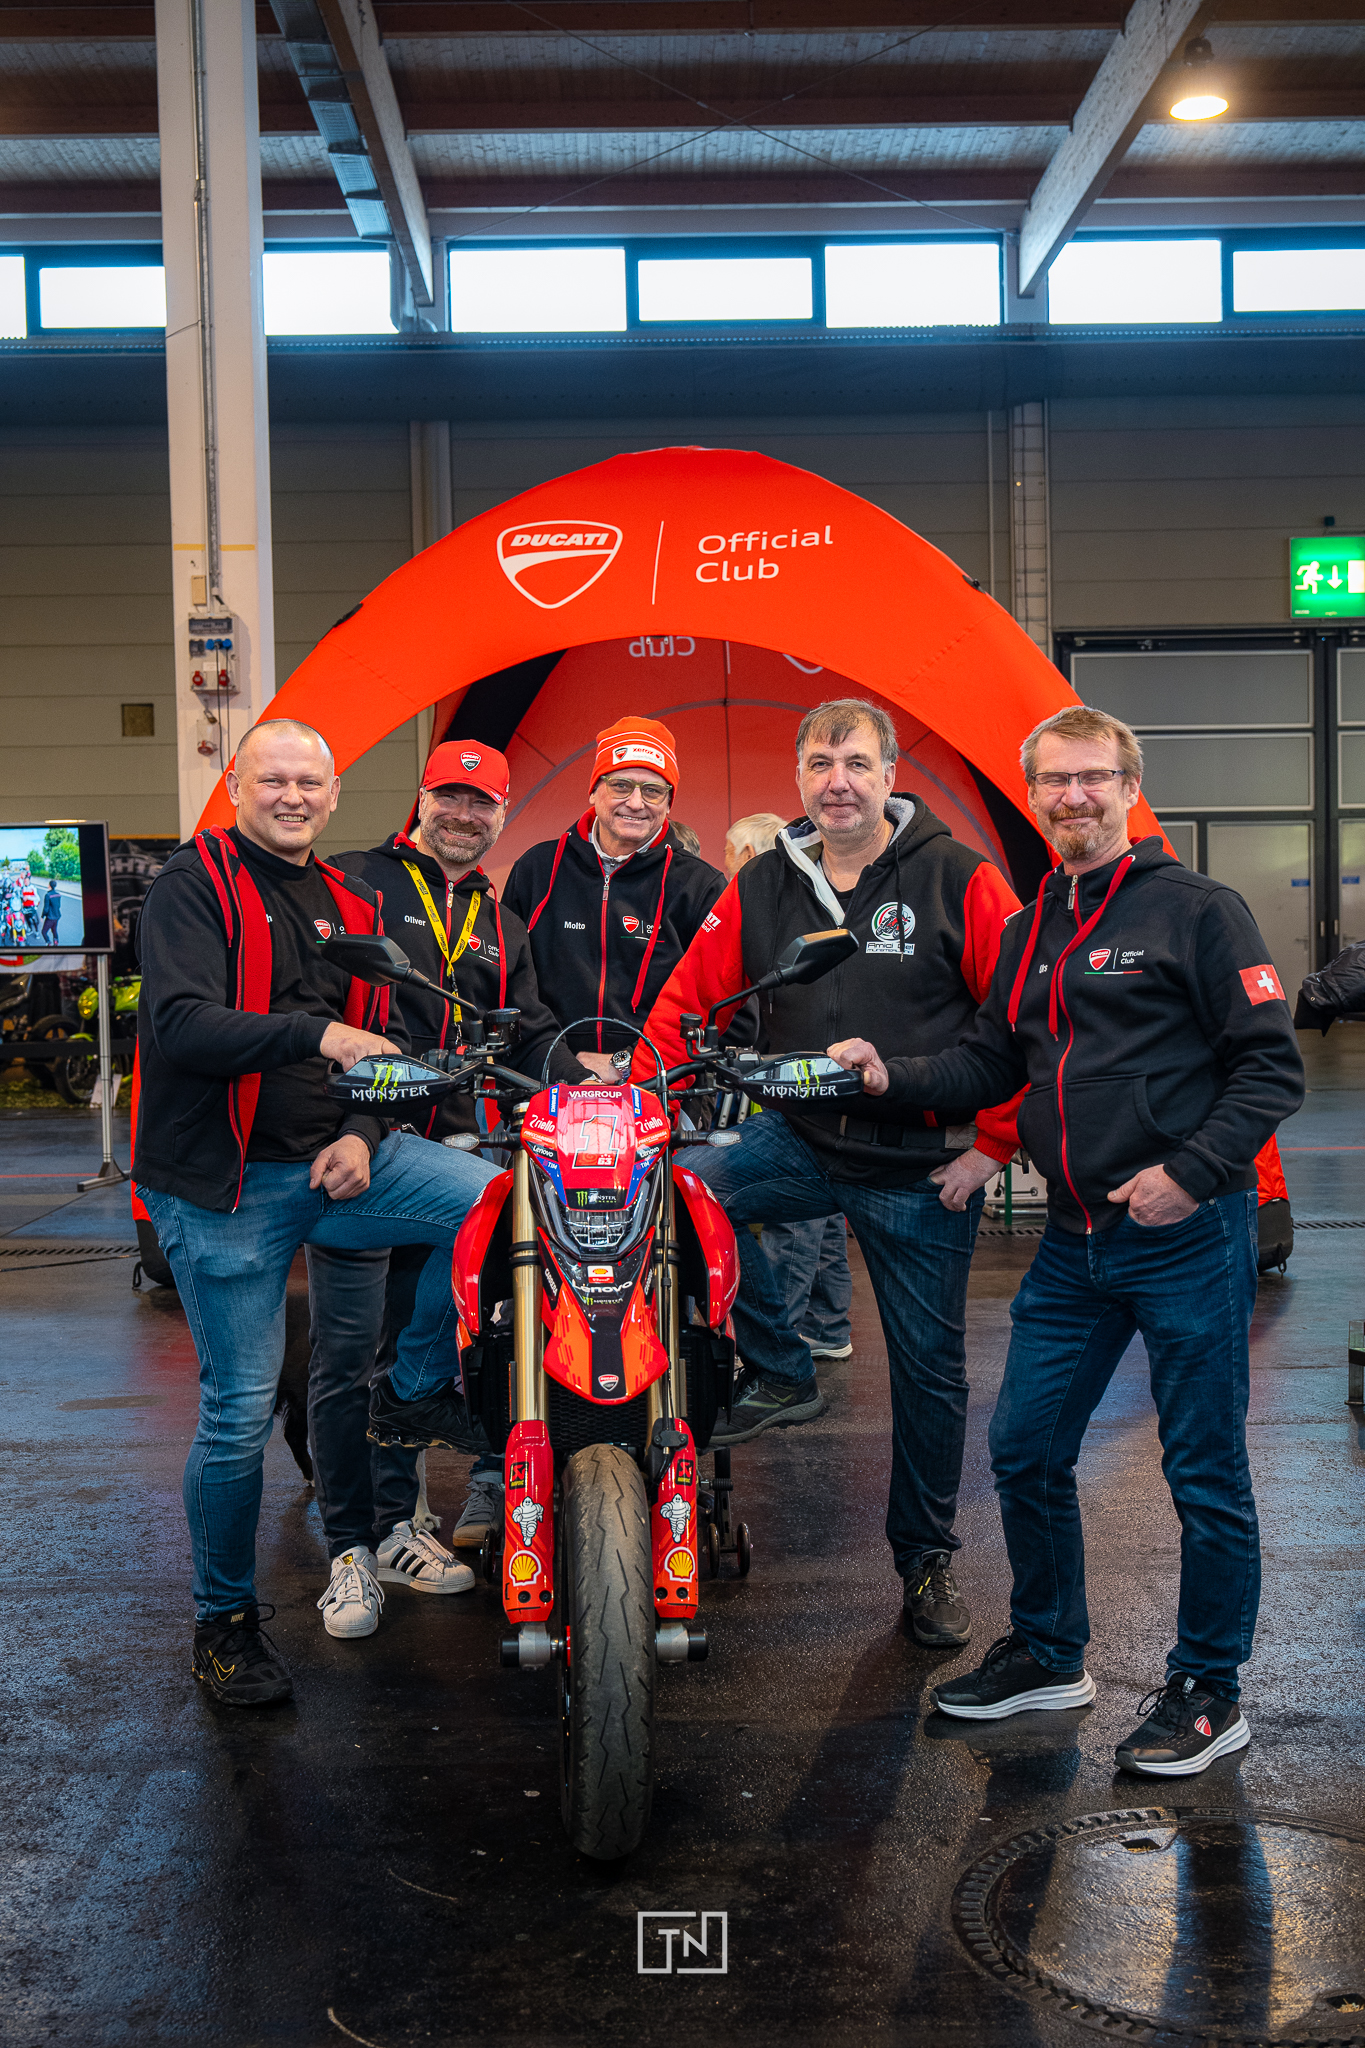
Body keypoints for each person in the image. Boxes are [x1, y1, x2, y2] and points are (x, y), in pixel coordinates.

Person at [833, 704, 1305, 1775]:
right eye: (1054, 780)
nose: (1074, 796)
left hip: (1185, 1234)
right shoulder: (1034, 922)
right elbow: (991, 1062)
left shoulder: (1199, 910)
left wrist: (1189, 1174)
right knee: (1025, 1447)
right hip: (1074, 1241)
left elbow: (1269, 1066)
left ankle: (1209, 1689)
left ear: (1129, 787)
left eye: (1094, 777)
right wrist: (890, 1074)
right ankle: (1049, 1653)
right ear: (1034, 793)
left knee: (1204, 1470)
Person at [638, 698, 1023, 1647]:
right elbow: (686, 1002)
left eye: (855, 763)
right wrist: (636, 1097)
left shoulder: (959, 877)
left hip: (918, 1167)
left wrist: (994, 1144)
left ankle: (924, 1560)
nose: (836, 782)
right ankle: (780, 1367)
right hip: (799, 1141)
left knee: (928, 1376)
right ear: (799, 777)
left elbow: (1021, 1018)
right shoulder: (763, 880)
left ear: (890, 773)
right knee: (669, 1196)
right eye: (819, 763)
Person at [134, 718, 499, 1708]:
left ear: (335, 794)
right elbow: (182, 1024)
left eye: (310, 782)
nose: (292, 796)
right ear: (236, 782)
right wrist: (319, 1034)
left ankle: (415, 1387)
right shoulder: (193, 884)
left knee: (495, 1200)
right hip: (225, 1185)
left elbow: (383, 1048)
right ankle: (224, 1625)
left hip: (336, 1164)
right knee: (237, 1414)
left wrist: (364, 1133)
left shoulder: (350, 900)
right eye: (274, 779)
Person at [328, 739, 592, 1556]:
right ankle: (382, 1528)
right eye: (449, 796)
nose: (463, 815)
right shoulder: (356, 881)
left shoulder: (500, 922)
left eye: (481, 803)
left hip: (457, 1147)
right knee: (353, 1348)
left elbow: (528, 1031)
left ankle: (429, 1500)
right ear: (421, 798)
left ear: (502, 813)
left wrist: (588, 1088)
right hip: (356, 1138)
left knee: (465, 1324)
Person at [503, 717, 731, 1078]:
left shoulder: (701, 886)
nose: (636, 803)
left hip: (663, 1090)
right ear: (594, 791)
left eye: (653, 791)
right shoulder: (537, 869)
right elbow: (511, 993)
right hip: (546, 1085)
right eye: (621, 785)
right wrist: (568, 1069)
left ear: (669, 803)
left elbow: (726, 1011)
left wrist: (624, 1064)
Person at [730, 810, 856, 1364]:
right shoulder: (804, 901)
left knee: (792, 1220)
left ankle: (780, 1346)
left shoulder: (771, 906)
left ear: (750, 856)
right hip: (809, 1075)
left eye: (733, 855)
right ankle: (828, 1326)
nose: (728, 867)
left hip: (788, 1075)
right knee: (823, 1219)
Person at [40, 881, 62, 946]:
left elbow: (46, 908)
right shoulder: (58, 895)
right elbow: (58, 905)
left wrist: (42, 916)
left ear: (50, 886)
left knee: (44, 932)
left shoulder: (48, 895)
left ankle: (48, 943)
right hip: (57, 916)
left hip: (50, 917)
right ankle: (56, 942)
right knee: (54, 930)